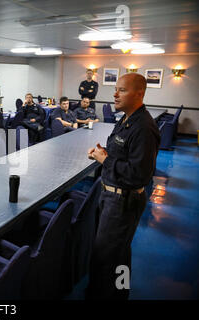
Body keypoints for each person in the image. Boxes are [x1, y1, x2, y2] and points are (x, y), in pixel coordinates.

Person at [86, 73, 161, 300]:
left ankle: (109, 296)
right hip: (111, 195)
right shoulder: (127, 118)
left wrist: (105, 160)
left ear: (139, 94)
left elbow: (139, 176)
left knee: (108, 256)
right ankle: (120, 292)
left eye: (122, 90)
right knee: (119, 253)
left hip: (123, 201)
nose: (115, 94)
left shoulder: (144, 128)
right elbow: (124, 156)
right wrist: (104, 154)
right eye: (116, 89)